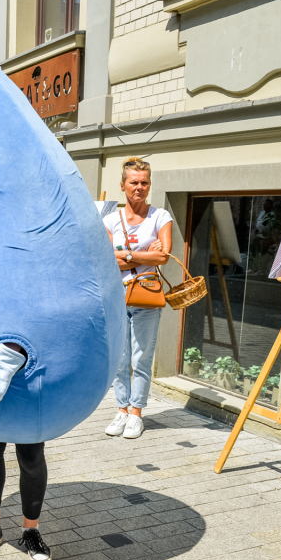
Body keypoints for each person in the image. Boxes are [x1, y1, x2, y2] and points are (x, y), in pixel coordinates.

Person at [103, 157, 172, 440]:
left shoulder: (160, 217)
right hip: (117, 296)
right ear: (123, 185)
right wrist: (145, 255)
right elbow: (108, 260)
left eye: (144, 183)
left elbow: (164, 257)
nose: (139, 188)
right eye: (134, 182)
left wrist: (127, 255)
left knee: (141, 357)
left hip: (146, 293)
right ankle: (121, 409)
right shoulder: (109, 220)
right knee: (119, 359)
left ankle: (136, 413)